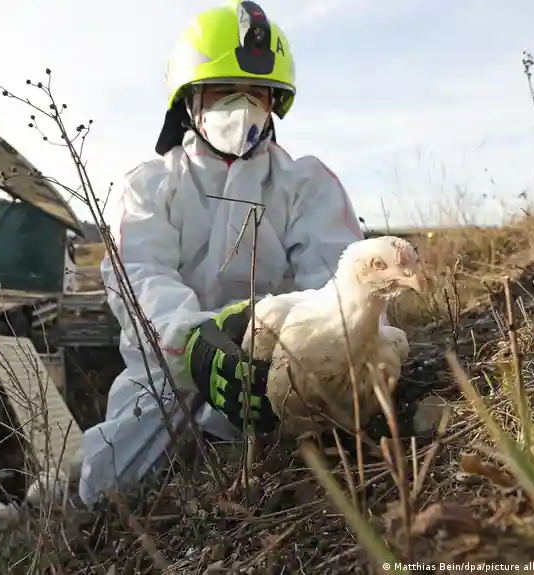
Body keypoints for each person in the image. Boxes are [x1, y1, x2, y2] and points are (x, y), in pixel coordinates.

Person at [78, 0, 382, 505]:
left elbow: (340, 281)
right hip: (168, 379)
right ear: (189, 100)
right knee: (109, 487)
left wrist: (295, 355)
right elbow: (139, 274)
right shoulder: (149, 186)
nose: (242, 107)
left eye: (255, 93)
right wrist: (194, 346)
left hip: (275, 375)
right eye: (224, 91)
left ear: (274, 102)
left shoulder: (306, 184)